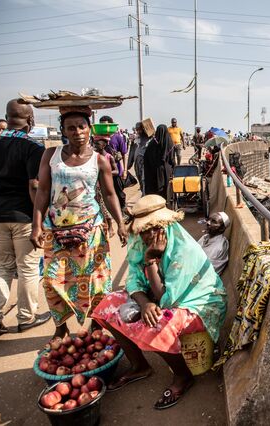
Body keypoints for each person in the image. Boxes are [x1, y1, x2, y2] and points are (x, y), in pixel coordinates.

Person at [91, 195, 227, 409]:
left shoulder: (183, 250)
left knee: (158, 324)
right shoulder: (138, 243)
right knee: (107, 305)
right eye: (143, 230)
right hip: (160, 297)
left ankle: (183, 376)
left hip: (198, 303)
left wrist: (151, 261)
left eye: (153, 229)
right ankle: (139, 366)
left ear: (165, 225)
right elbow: (133, 279)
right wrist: (144, 302)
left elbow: (170, 300)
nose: (148, 236)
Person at [30, 105, 127, 338]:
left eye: (82, 126)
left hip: (90, 229)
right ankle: (60, 327)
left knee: (95, 281)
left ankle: (97, 324)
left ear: (90, 128)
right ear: (63, 130)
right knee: (53, 282)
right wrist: (36, 225)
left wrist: (121, 222)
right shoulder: (50, 155)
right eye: (71, 127)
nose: (77, 132)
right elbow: (43, 191)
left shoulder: (99, 160)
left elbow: (110, 194)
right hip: (56, 230)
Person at [0, 99, 50, 335]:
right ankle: (26, 317)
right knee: (28, 268)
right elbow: (34, 186)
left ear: (6, 117)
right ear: (30, 120)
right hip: (22, 214)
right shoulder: (33, 148)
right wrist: (39, 221)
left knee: (3, 267)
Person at [99, 115, 128, 212]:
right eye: (102, 126)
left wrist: (124, 171)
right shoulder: (98, 138)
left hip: (116, 170)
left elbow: (123, 154)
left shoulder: (118, 137)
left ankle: (123, 208)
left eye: (106, 125)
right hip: (102, 170)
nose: (104, 128)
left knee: (119, 192)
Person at [92, 136, 119, 235]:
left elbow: (116, 171)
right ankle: (102, 226)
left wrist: (105, 173)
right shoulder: (94, 157)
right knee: (96, 206)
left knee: (105, 207)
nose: (95, 146)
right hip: (96, 186)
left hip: (105, 185)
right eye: (94, 144)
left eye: (97, 144)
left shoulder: (109, 157)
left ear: (104, 145)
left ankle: (111, 226)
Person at [144, 125, 174, 198]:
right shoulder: (170, 143)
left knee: (155, 191)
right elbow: (172, 159)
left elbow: (146, 158)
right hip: (166, 171)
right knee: (166, 190)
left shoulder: (152, 144)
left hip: (154, 171)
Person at [127, 121, 151, 196]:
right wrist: (128, 165)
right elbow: (131, 152)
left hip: (146, 164)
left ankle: (144, 196)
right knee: (140, 180)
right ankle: (143, 192)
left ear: (144, 129)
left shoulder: (150, 139)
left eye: (140, 129)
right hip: (137, 165)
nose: (138, 131)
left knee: (145, 180)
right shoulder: (135, 140)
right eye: (137, 129)